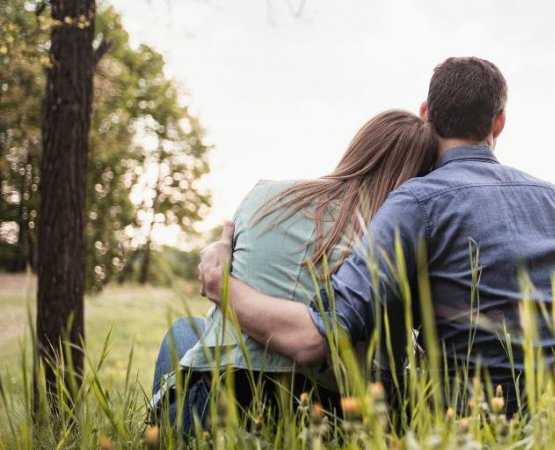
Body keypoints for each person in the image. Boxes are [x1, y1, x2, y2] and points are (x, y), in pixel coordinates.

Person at [198, 57, 555, 417]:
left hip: (465, 427)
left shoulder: (417, 203)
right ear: (498, 122)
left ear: (426, 114)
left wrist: (221, 285)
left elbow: (320, 336)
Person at [150, 110, 438, 434]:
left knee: (187, 329)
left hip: (229, 401)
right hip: (332, 421)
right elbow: (399, 367)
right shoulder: (394, 243)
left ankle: (168, 436)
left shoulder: (265, 196)